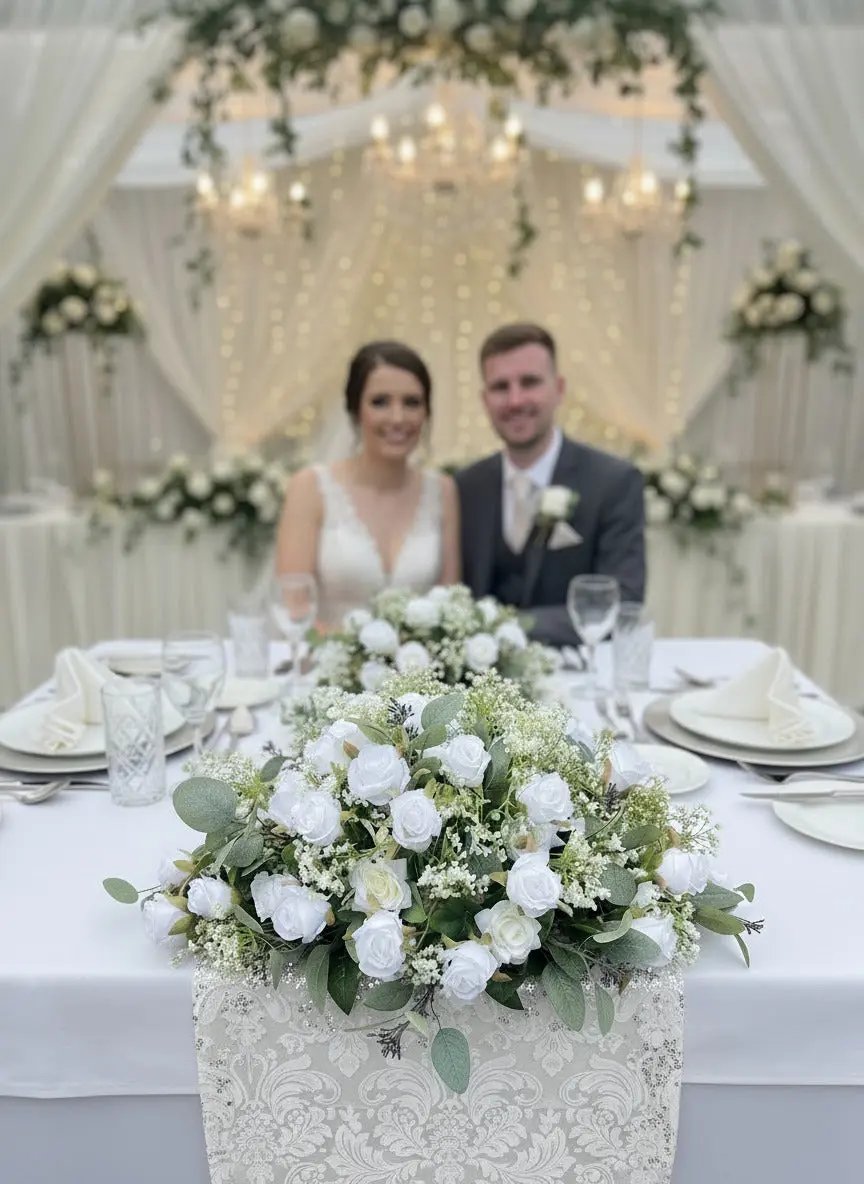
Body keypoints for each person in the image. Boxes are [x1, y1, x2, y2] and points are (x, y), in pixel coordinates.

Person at [455, 322, 645, 647]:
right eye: (501, 387)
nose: (515, 400)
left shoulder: (613, 482)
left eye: (529, 382)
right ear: (485, 399)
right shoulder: (466, 485)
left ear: (558, 389)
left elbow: (622, 600)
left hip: (575, 676)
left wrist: (508, 627)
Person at [276, 340, 461, 628]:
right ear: (355, 410)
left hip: (418, 670)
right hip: (326, 664)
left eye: (412, 402)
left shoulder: (443, 491)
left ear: (426, 412)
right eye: (380, 402)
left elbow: (450, 605)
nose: (398, 418)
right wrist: (357, 663)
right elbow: (295, 607)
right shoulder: (310, 487)